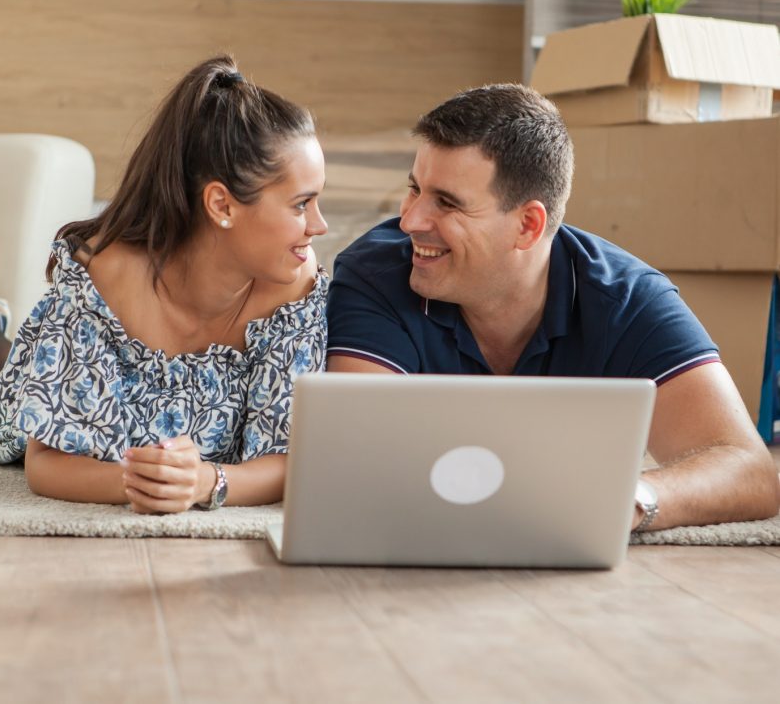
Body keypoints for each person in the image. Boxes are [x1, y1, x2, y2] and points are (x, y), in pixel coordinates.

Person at [326, 83, 780, 532]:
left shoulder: (625, 297)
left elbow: (749, 470)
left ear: (528, 225)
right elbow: (359, 458)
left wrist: (631, 499)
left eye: (447, 203)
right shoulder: (376, 276)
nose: (411, 220)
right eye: (415, 189)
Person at [0, 55, 329, 514]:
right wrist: (148, 482)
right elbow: (47, 465)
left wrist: (206, 483)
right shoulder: (102, 273)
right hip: (24, 396)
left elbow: (289, 459)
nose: (318, 226)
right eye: (302, 204)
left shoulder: (295, 283)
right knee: (1, 400)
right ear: (222, 204)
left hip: (174, 459)